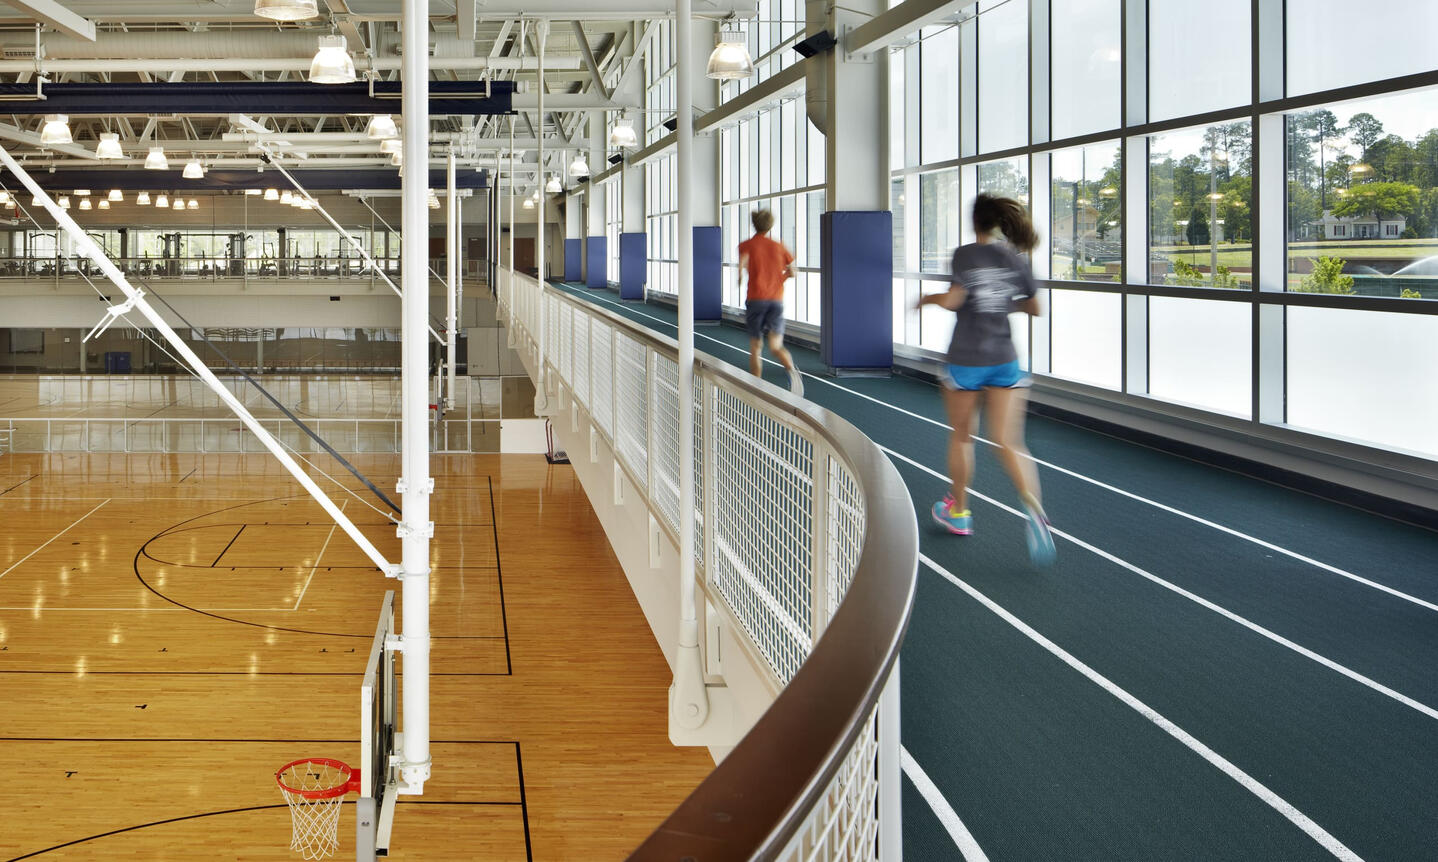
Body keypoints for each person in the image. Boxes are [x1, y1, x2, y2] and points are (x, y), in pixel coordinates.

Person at [918, 193, 1055, 566]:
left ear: (974, 222)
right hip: (1005, 360)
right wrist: (1005, 302)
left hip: (967, 360)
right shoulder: (1015, 258)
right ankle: (1034, 506)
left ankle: (959, 512)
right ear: (999, 224)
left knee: (963, 437)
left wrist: (926, 299)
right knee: (1010, 442)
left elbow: (953, 300)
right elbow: (1035, 307)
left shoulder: (964, 255)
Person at [737, 209, 803, 396]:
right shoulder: (779, 246)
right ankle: (791, 371)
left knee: (756, 347)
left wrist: (740, 276)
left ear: (754, 224)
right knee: (775, 346)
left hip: (755, 300)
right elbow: (793, 272)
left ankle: (756, 387)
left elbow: (742, 265)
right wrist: (779, 280)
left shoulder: (745, 245)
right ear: (770, 225)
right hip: (775, 301)